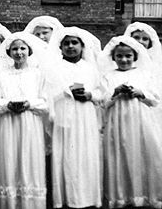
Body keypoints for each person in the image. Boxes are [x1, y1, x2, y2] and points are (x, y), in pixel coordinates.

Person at [100, 35, 162, 208]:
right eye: (119, 56)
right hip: (117, 122)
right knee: (120, 155)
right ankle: (121, 196)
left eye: (128, 56)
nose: (124, 59)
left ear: (135, 56)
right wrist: (115, 92)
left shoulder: (144, 74)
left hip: (140, 120)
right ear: (113, 58)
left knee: (141, 154)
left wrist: (140, 93)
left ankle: (145, 195)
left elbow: (155, 99)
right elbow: (103, 102)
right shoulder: (107, 76)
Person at [0, 32, 49, 209]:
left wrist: (29, 103)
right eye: (15, 48)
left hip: (29, 121)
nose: (19, 52)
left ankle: (30, 203)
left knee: (29, 158)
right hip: (8, 122)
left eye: (23, 48)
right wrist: (7, 104)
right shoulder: (2, 75)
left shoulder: (38, 74)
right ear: (9, 52)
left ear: (29, 51)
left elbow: (45, 101)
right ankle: (9, 203)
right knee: (9, 157)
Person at [47, 27, 102, 208]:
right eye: (66, 43)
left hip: (85, 116)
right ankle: (65, 198)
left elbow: (102, 92)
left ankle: (86, 198)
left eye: (74, 43)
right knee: (65, 155)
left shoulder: (90, 68)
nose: (70, 47)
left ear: (82, 46)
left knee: (85, 154)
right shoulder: (54, 68)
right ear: (60, 47)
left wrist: (90, 95)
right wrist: (66, 91)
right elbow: (47, 93)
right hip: (64, 113)